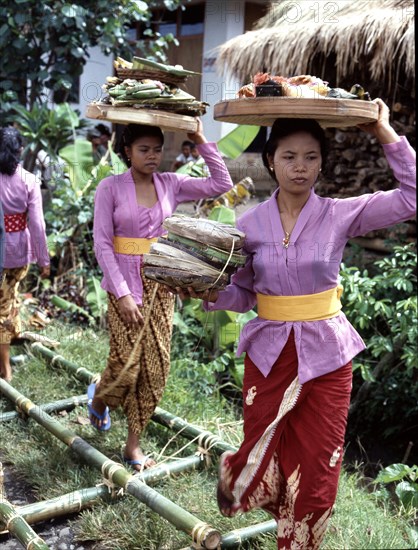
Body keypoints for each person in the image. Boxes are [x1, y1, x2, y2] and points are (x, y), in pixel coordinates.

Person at [175, 99, 416, 549]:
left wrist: (384, 130)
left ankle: (299, 540)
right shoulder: (248, 225)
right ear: (271, 160)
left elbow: (412, 195)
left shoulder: (341, 213)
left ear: (322, 163)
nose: (300, 167)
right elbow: (244, 293)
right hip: (269, 357)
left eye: (311, 157)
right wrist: (209, 292)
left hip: (327, 356)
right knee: (265, 456)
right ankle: (252, 485)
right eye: (289, 156)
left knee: (319, 464)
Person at [89, 118, 233, 470]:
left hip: (162, 284)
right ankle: (100, 400)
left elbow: (221, 183)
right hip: (123, 285)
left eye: (157, 149)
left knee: (155, 367)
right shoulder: (110, 187)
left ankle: (133, 445)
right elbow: (102, 243)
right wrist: (122, 292)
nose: (152, 156)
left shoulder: (172, 183)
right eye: (144, 150)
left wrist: (200, 138)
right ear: (127, 151)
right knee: (126, 363)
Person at [0, 127, 50, 381]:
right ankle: (5, 368)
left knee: (6, 301)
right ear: (20, 150)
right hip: (18, 251)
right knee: (5, 306)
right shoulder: (29, 180)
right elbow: (38, 225)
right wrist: (44, 259)